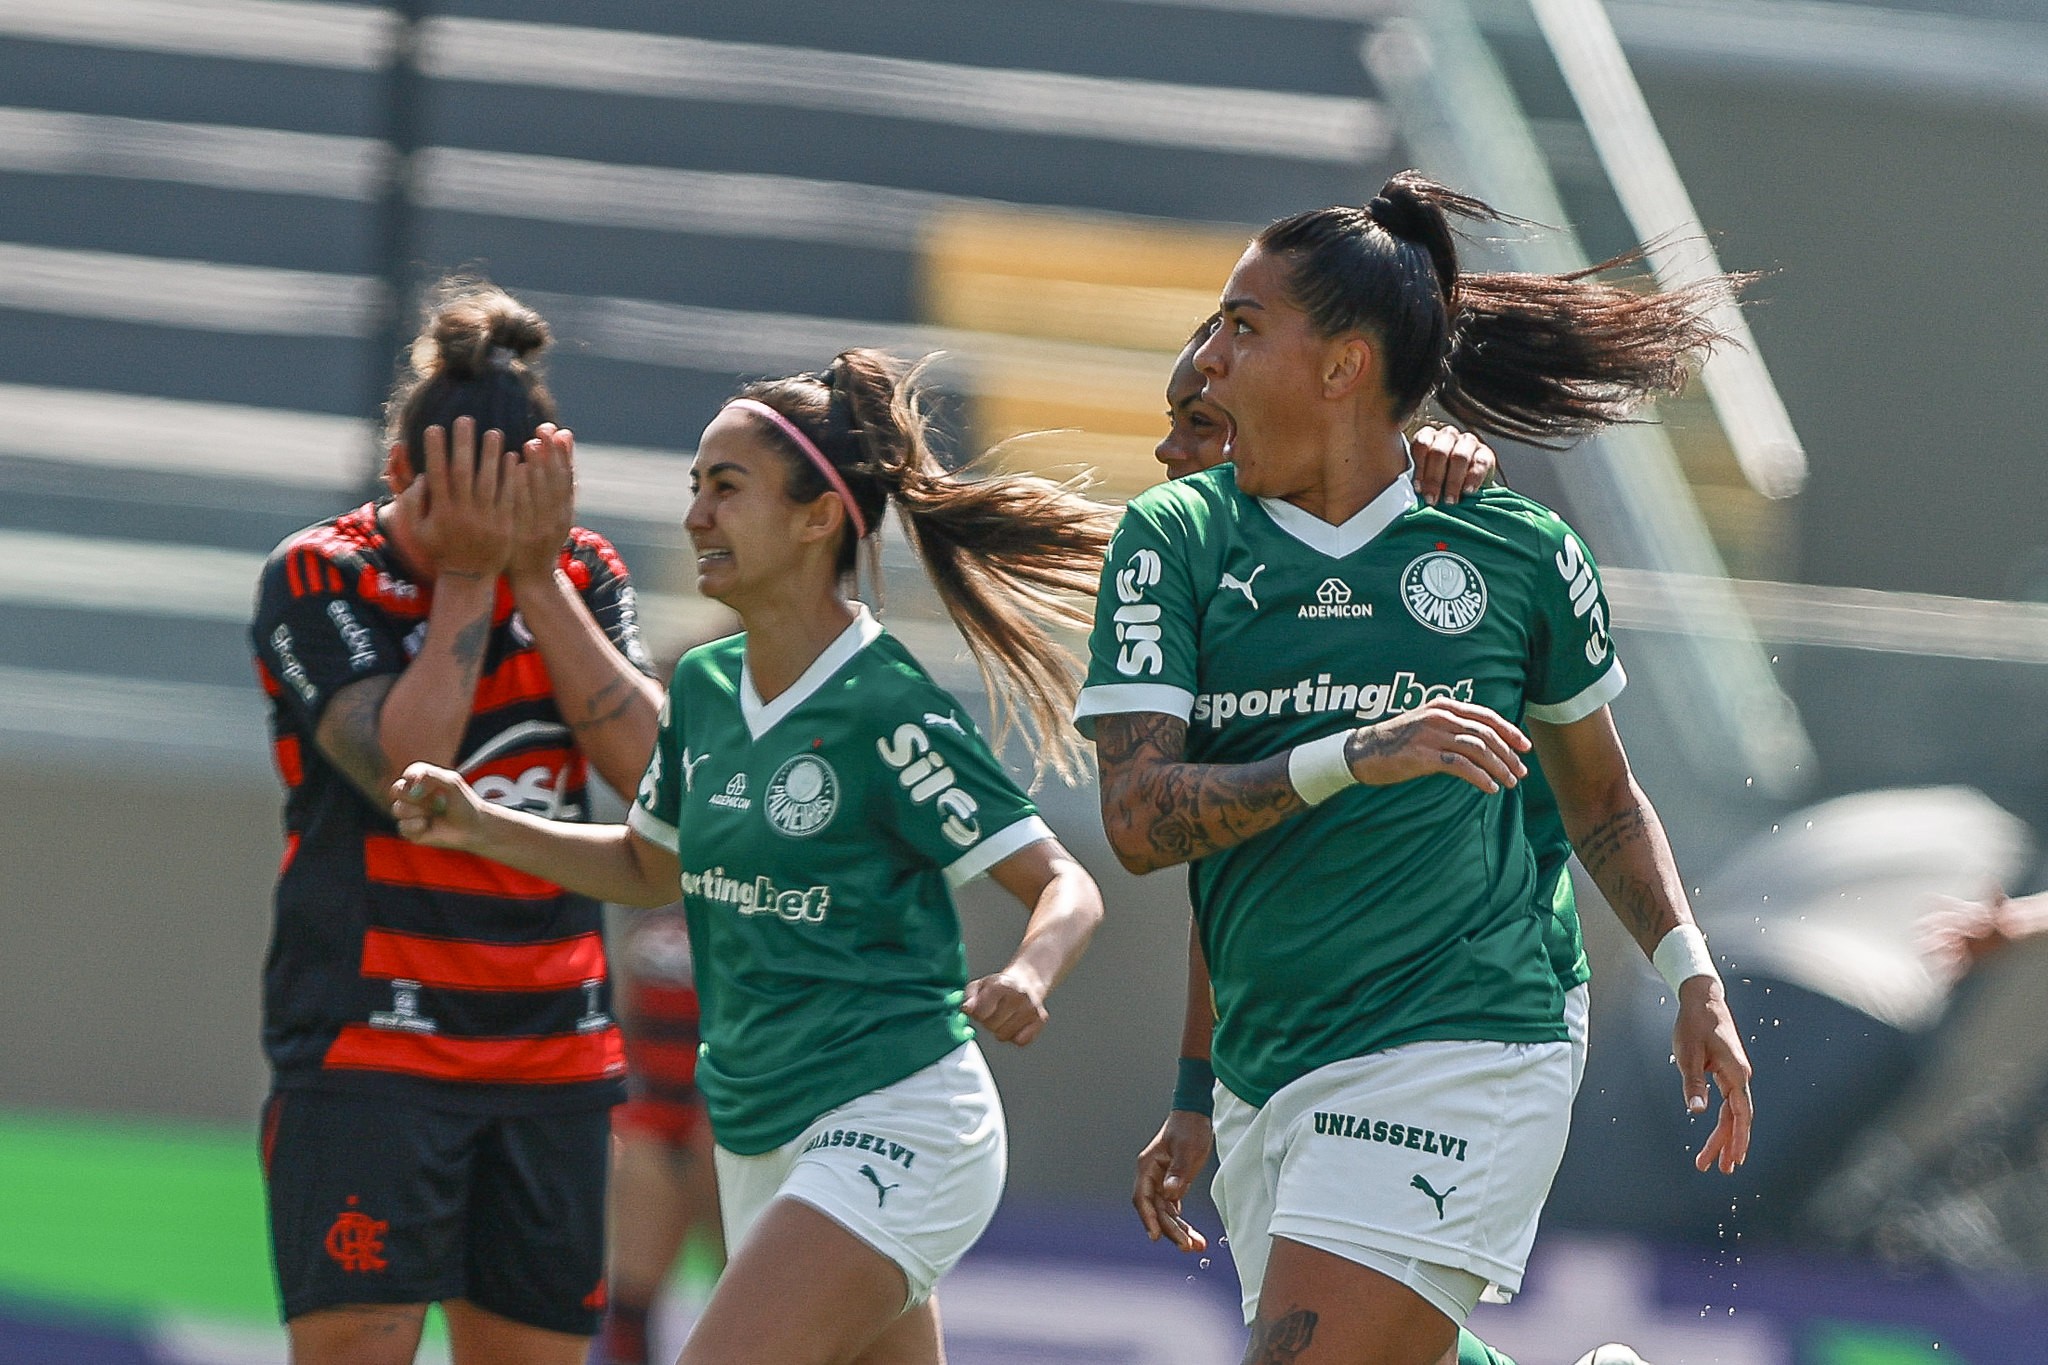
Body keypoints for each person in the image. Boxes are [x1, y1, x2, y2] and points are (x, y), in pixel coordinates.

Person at [1077, 172, 1755, 1365]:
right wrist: (1352, 758)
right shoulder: (1173, 541)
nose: (1209, 357)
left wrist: (1687, 970)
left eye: (1242, 326)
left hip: (1467, 1037)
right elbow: (1146, 826)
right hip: (1269, 1060)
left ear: (1340, 368)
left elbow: (1599, 793)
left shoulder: (1513, 549)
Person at [387, 348, 1112, 1365]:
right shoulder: (704, 688)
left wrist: (1031, 972)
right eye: (694, 488)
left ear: (818, 517)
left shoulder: (883, 704)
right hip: (759, 1138)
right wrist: (480, 824)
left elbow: (1062, 884)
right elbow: (648, 868)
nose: (695, 516)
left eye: (725, 488)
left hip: (895, 1120)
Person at [1136, 320, 1635, 1365]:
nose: (1170, 453)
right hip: (1284, 1045)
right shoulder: (1208, 578)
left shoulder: (1452, 539)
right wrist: (1192, 1095)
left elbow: (1600, 791)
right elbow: (1234, 886)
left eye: (1197, 424)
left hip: (1457, 1013)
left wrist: (1687, 972)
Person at [249, 279, 664, 1365]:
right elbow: (407, 765)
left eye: (500, 508)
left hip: (553, 1061)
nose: (464, 536)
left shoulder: (581, 573)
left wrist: (536, 575)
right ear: (398, 476)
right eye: (448, 514)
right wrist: (472, 580)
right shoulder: (321, 574)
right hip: (369, 1052)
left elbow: (658, 781)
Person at [601, 907, 723, 1365]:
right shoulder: (643, 900)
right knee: (631, 1290)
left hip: (723, 1114)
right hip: (651, 1114)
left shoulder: (759, 900)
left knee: (738, 1278)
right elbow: (626, 1010)